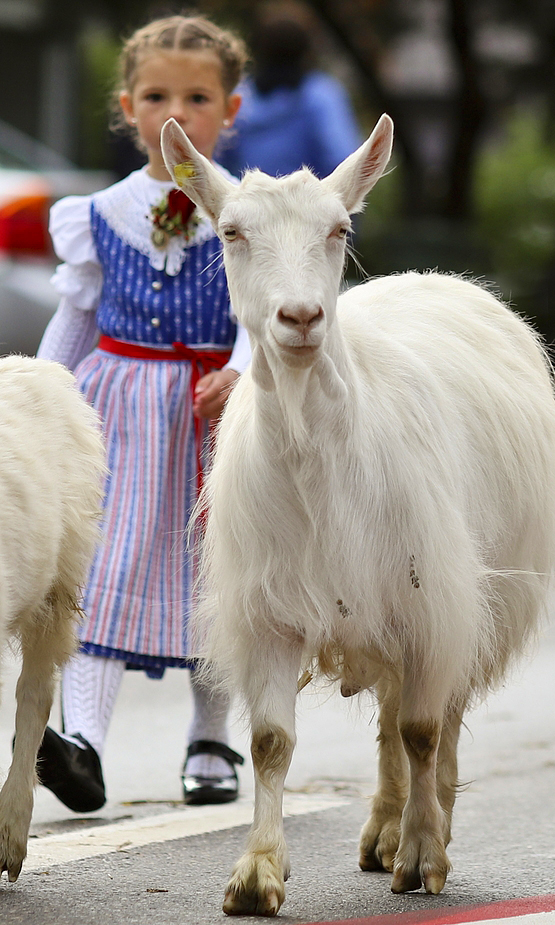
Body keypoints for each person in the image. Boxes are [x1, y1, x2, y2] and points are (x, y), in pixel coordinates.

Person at [35, 14, 249, 812]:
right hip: (120, 409)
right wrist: (40, 392)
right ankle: (83, 741)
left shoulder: (246, 210)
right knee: (106, 568)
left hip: (212, 416)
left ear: (229, 111)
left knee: (215, 568)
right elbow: (78, 316)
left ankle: (211, 736)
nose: (175, 114)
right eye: (156, 95)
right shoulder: (99, 214)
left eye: (197, 97)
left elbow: (268, 312)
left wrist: (238, 369)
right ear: (126, 107)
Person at [217, 0, 362, 179]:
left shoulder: (239, 97)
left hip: (249, 202)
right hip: (307, 204)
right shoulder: (322, 95)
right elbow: (343, 159)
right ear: (306, 48)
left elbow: (217, 156)